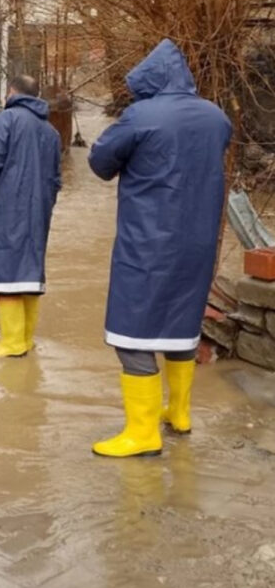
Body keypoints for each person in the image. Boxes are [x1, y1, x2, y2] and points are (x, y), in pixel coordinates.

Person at [89, 39, 231, 458]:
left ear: (148, 81)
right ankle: (180, 413)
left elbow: (100, 163)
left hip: (150, 240)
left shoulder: (140, 115)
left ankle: (142, 431)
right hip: (198, 240)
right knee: (181, 323)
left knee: (130, 333)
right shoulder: (216, 117)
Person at [0, 75, 62, 358]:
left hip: (10, 209)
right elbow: (55, 180)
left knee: (5, 273)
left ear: (12, 92)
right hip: (39, 212)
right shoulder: (51, 131)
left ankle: (12, 343)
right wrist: (43, 207)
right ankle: (26, 340)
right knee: (29, 273)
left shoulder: (7, 120)